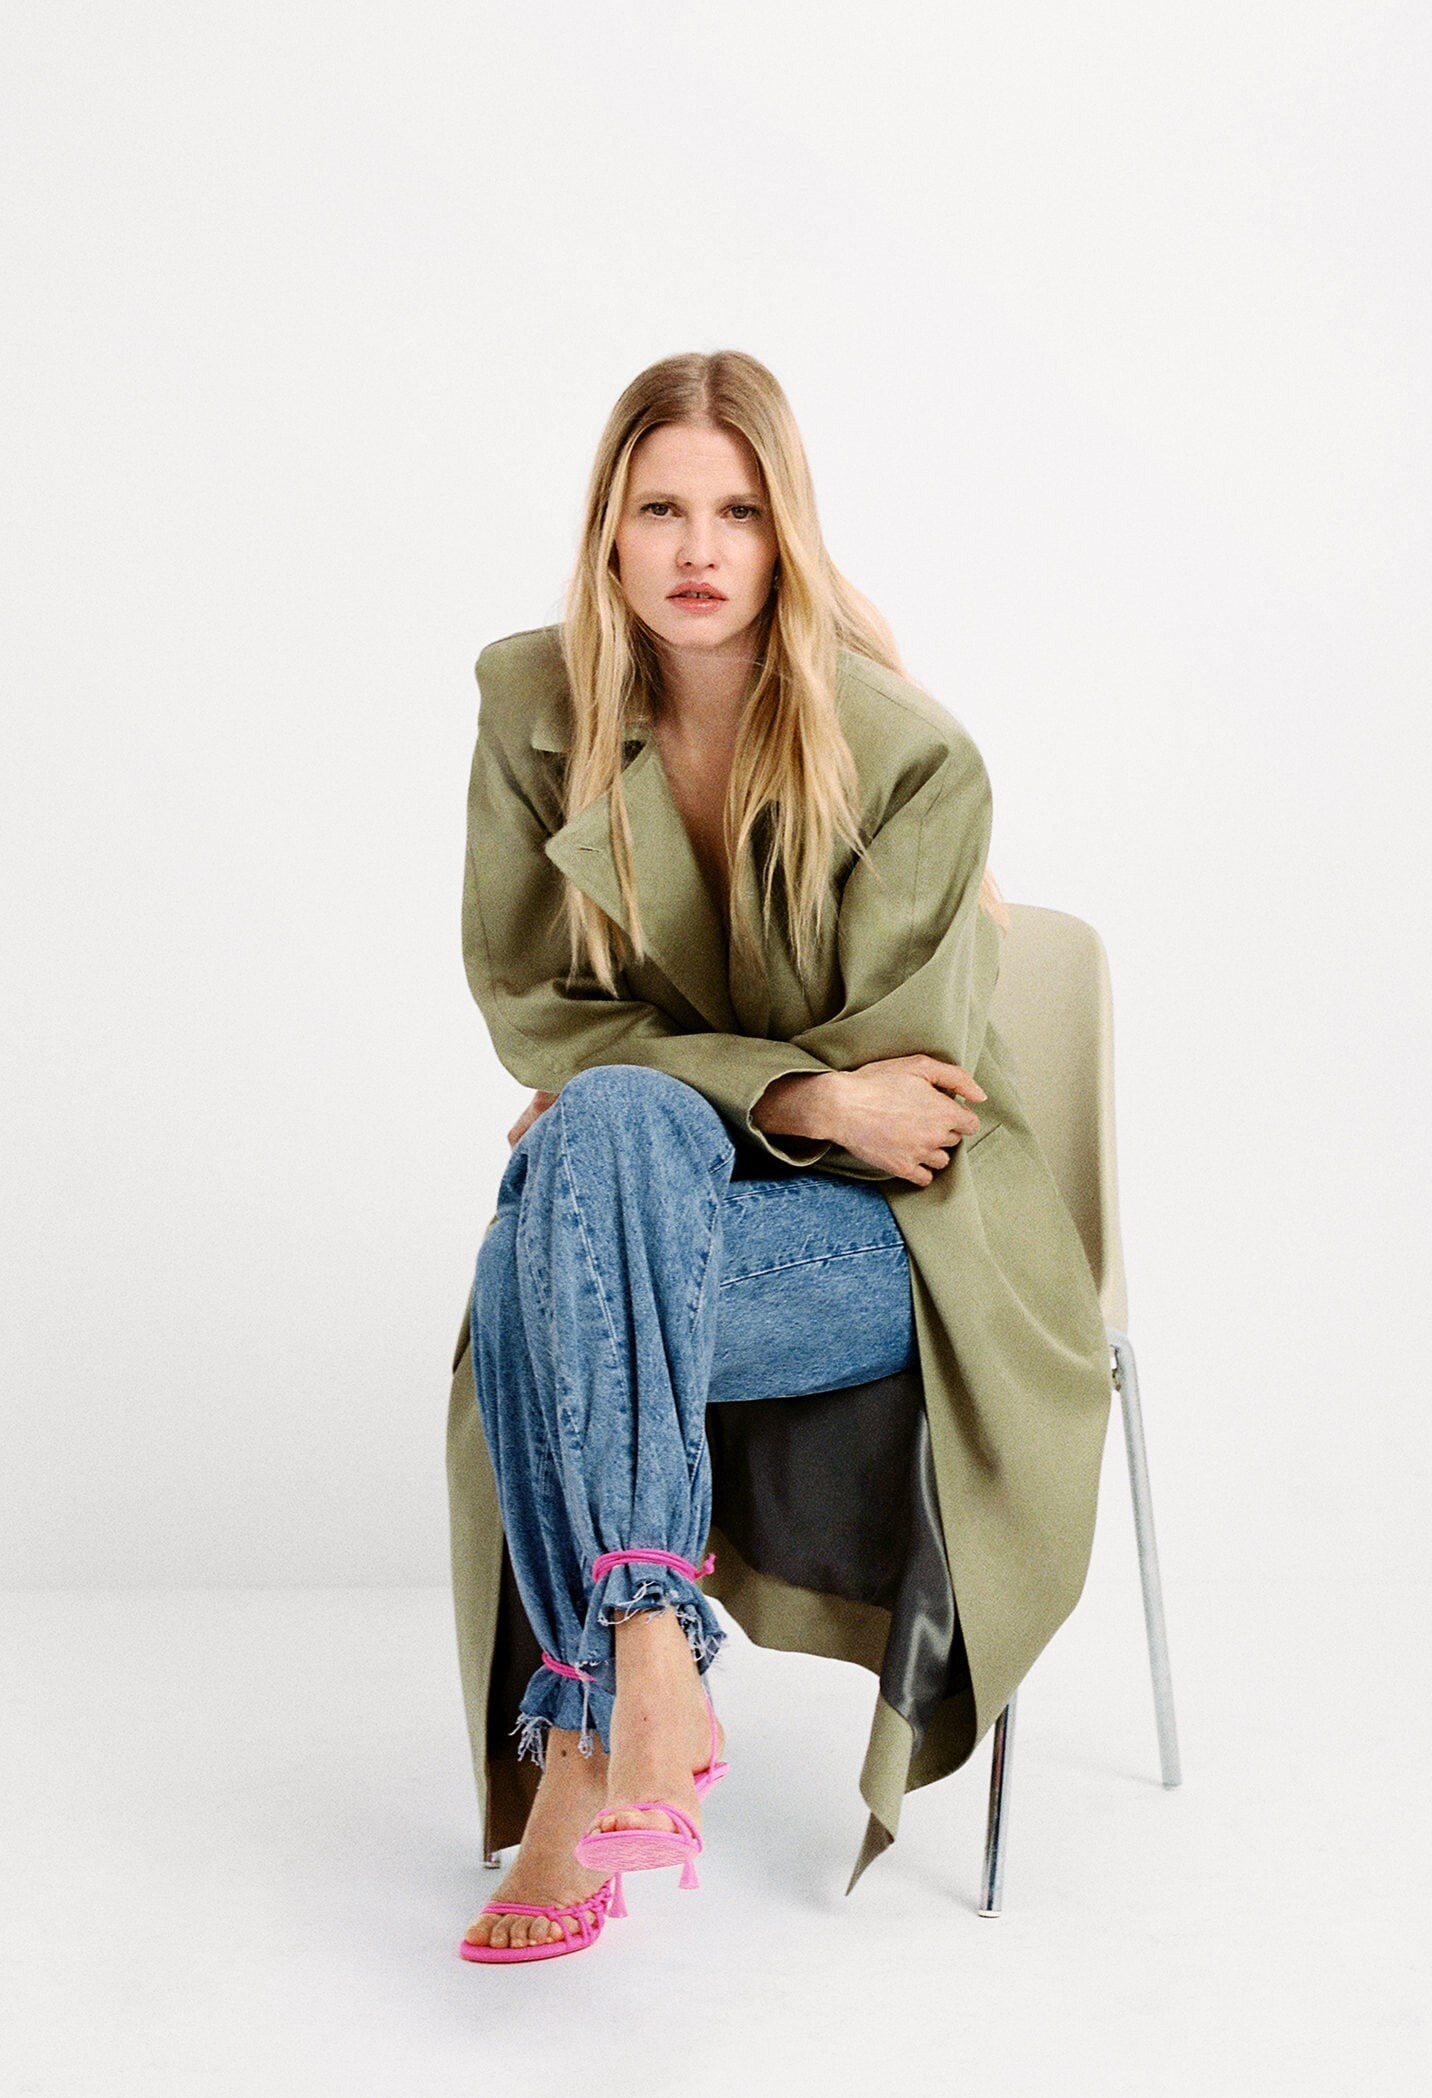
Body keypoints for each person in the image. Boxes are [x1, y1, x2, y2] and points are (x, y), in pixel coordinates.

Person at [453, 349, 1113, 1961]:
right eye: (660, 508)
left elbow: (908, 1107)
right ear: (607, 531)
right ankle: (643, 1655)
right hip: (683, 1203)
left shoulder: (908, 758)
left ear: (786, 531)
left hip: (901, 1242)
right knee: (605, 1134)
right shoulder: (534, 711)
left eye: (738, 512)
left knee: (545, 1239)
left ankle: (582, 1744)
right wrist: (799, 1096)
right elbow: (540, 1017)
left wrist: (659, 1083)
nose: (699, 548)